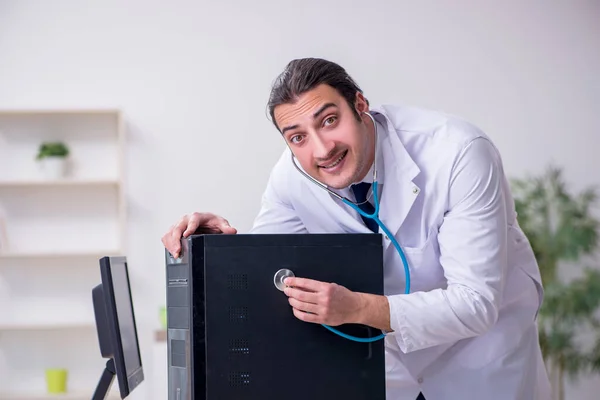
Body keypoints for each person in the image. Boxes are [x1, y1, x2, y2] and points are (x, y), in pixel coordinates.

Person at [162, 58, 551, 400]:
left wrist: (357, 307)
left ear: (360, 105)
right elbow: (272, 268)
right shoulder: (292, 176)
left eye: (329, 120)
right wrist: (221, 246)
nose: (321, 149)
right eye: (297, 137)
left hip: (479, 358)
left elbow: (475, 303)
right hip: (389, 366)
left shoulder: (458, 152)